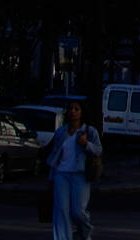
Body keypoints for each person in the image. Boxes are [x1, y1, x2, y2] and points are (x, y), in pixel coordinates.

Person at [47, 100, 102, 240]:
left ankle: (85, 232)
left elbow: (98, 150)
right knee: (61, 210)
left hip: (80, 175)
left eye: (76, 109)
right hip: (61, 173)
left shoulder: (89, 131)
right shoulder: (61, 132)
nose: (73, 111)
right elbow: (55, 155)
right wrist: (51, 177)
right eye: (71, 109)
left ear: (81, 112)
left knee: (77, 212)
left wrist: (86, 144)